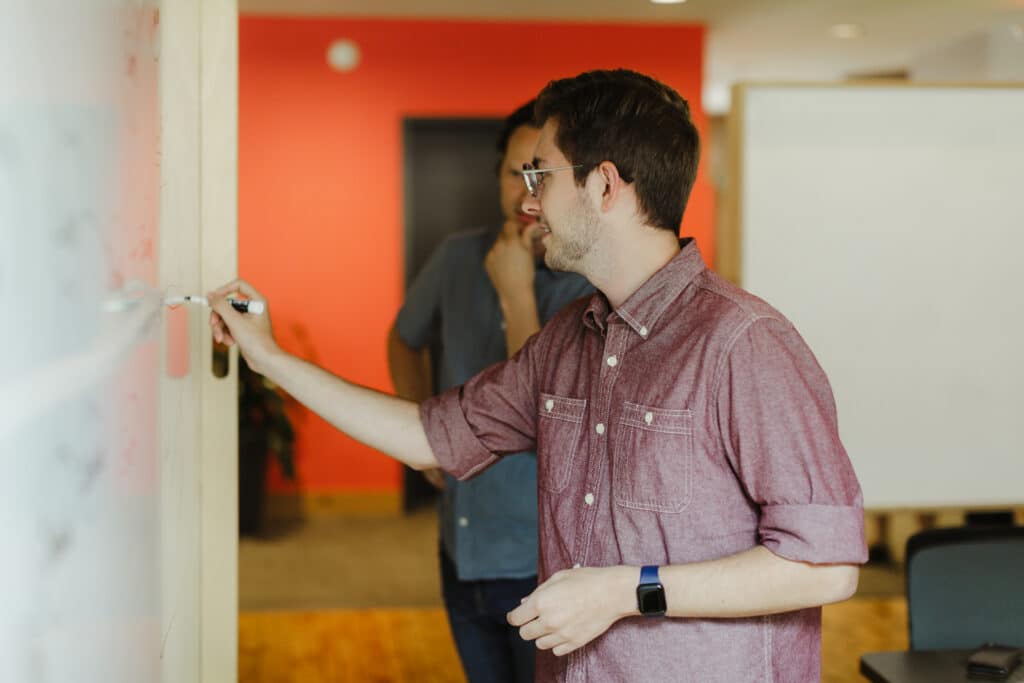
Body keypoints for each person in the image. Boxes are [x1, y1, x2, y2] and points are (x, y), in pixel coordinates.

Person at [209, 69, 866, 682]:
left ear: (605, 185)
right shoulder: (567, 338)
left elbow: (824, 563)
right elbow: (426, 434)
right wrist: (269, 358)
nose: (529, 203)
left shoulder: (744, 344)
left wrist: (623, 589)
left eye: (540, 176)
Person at [386, 100, 593, 683]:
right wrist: (417, 436)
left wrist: (516, 294)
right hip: (461, 545)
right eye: (513, 171)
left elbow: (544, 409)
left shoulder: (585, 282)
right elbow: (404, 339)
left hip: (542, 562)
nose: (526, 191)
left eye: (540, 173)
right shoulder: (457, 256)